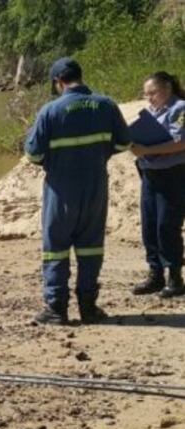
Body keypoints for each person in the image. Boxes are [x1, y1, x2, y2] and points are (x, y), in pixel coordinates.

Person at [24, 57, 131, 325]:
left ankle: (56, 308)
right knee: (91, 247)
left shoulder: (50, 111)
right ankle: (88, 307)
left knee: (56, 249)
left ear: (58, 82)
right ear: (80, 77)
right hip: (95, 187)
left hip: (61, 188)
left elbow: (33, 154)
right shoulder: (106, 105)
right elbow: (125, 143)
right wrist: (99, 155)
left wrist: (54, 161)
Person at [129, 71, 185, 298]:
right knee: (149, 225)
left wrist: (148, 150)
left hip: (173, 174)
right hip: (150, 174)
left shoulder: (180, 109)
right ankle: (155, 274)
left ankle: (175, 277)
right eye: (146, 94)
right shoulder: (152, 112)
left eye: (153, 93)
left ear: (168, 89)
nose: (149, 98)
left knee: (167, 226)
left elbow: (180, 142)